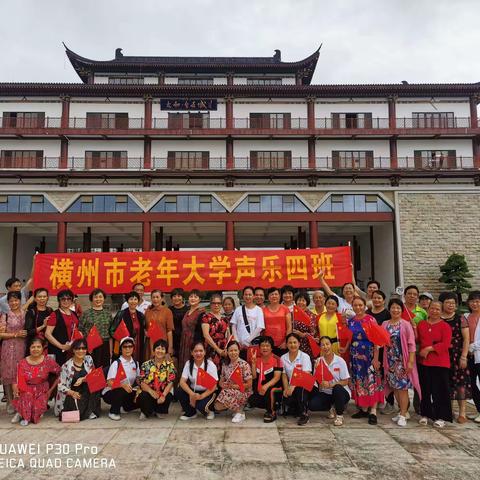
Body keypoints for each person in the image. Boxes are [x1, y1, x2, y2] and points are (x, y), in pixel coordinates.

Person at [382, 298, 420, 427]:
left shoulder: (405, 324)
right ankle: (400, 411)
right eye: (393, 307)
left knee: (403, 389)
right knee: (395, 388)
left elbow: (411, 345)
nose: (395, 310)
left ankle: (404, 414)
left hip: (402, 362)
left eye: (398, 308)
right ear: (389, 309)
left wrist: (410, 362)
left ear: (401, 310)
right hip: (390, 362)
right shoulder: (385, 324)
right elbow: (380, 341)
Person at [348, 296, 384, 425]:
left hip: (368, 355)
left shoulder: (370, 320)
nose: (358, 308)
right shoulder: (350, 321)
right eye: (355, 305)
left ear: (365, 306)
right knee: (359, 380)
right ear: (352, 306)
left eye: (360, 305)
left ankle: (373, 411)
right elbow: (349, 338)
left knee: (371, 380)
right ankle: (363, 408)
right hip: (355, 356)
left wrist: (375, 358)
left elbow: (377, 340)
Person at [416, 301, 453, 427]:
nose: (434, 311)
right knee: (425, 389)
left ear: (441, 311)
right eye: (432, 308)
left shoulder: (445, 326)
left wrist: (429, 349)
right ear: (428, 309)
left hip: (440, 363)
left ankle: (441, 416)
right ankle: (425, 414)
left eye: (437, 309)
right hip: (424, 362)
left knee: (440, 390)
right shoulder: (421, 324)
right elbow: (418, 340)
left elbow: (446, 344)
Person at [11, 337, 60, 426]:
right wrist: (14, 387)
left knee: (36, 415)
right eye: (33, 347)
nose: (36, 349)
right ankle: (22, 414)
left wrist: (51, 391)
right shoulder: (22, 362)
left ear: (42, 348)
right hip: (26, 389)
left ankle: (27, 412)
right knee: (27, 397)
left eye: (38, 347)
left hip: (42, 390)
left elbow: (61, 373)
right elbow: (16, 379)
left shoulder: (48, 361)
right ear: (29, 348)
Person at [440, 292, 471, 423]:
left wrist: (464, 356)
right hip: (442, 355)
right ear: (442, 303)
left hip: (457, 355)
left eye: (453, 303)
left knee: (460, 383)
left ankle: (462, 412)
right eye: (448, 302)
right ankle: (449, 410)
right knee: (445, 383)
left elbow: (466, 339)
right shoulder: (438, 318)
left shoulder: (461, 319)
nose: (451, 305)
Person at [55, 338, 101, 420]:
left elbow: (94, 376)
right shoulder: (66, 366)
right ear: (73, 350)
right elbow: (60, 385)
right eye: (78, 348)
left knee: (96, 385)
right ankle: (85, 412)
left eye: (83, 348)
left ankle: (89, 410)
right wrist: (72, 392)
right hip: (73, 394)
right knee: (77, 411)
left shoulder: (89, 360)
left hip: (87, 393)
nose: (81, 351)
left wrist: (83, 379)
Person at [309, 336, 351, 426]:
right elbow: (317, 382)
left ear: (331, 345)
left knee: (337, 388)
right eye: (322, 345)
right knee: (312, 405)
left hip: (341, 392)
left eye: (327, 344)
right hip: (326, 393)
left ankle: (339, 415)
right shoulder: (319, 361)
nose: (325, 347)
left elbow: (345, 381)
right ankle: (331, 407)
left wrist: (331, 384)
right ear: (320, 347)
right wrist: (317, 371)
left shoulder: (340, 361)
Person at [0, 291, 27, 413]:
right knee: (8, 374)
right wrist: (15, 334)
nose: (14, 303)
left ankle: (20, 400)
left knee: (20, 373)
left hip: (23, 347)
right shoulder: (5, 315)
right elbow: (0, 334)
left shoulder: (25, 314)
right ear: (8, 302)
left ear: (20, 301)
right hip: (8, 348)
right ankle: (10, 402)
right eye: (11, 301)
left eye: (16, 300)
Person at [367, 290, 393, 413]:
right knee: (372, 377)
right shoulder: (367, 314)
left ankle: (390, 402)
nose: (376, 300)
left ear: (383, 300)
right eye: (374, 298)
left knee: (384, 375)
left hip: (384, 350)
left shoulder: (388, 314)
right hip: (368, 349)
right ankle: (372, 401)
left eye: (379, 298)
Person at [176, 341, 218, 420]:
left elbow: (214, 385)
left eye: (201, 351)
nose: (198, 353)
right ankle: (191, 413)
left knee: (201, 405)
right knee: (179, 390)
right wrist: (192, 394)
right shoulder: (188, 364)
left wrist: (202, 396)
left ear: (205, 352)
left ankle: (210, 411)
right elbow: (182, 382)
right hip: (194, 391)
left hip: (208, 392)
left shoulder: (210, 365)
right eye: (195, 351)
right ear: (191, 352)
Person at [136, 339, 176, 419]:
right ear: (154, 350)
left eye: (163, 349)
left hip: (161, 394)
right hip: (148, 393)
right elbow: (142, 382)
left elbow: (171, 382)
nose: (160, 351)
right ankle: (146, 411)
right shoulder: (145, 365)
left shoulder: (170, 365)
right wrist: (151, 392)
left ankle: (158, 411)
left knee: (169, 395)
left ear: (166, 352)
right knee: (143, 395)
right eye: (158, 348)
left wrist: (163, 395)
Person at [214, 341, 253, 423]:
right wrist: (223, 385)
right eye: (231, 351)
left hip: (243, 390)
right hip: (228, 389)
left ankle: (239, 412)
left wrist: (234, 386)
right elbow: (221, 380)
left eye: (235, 350)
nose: (233, 353)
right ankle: (238, 409)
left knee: (224, 399)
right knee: (217, 406)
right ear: (227, 352)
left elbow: (249, 384)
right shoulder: (225, 364)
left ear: (239, 351)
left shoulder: (244, 364)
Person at [103, 337, 140, 421]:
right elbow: (109, 382)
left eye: (130, 346)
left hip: (128, 390)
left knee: (142, 397)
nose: (128, 349)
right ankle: (113, 412)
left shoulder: (135, 363)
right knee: (120, 390)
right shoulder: (116, 363)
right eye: (125, 347)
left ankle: (125, 407)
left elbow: (138, 379)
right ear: (121, 349)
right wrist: (122, 385)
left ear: (133, 348)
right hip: (111, 392)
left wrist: (143, 386)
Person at [248, 336, 283, 422]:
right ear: (259, 348)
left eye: (267, 346)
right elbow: (254, 377)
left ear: (271, 348)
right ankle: (270, 406)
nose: (265, 348)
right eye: (262, 346)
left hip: (275, 387)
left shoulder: (277, 360)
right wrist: (253, 364)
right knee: (252, 400)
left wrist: (266, 386)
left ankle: (272, 412)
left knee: (270, 391)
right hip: (261, 388)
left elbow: (277, 378)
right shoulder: (257, 360)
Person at [281, 333, 312, 426]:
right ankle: (296, 408)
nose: (292, 345)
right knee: (288, 398)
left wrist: (293, 386)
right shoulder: (283, 358)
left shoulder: (304, 356)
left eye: (295, 342)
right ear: (286, 344)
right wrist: (286, 388)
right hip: (291, 386)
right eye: (290, 343)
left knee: (300, 388)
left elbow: (306, 374)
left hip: (306, 385)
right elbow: (284, 375)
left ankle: (304, 414)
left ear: (299, 344)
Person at [79, 288, 112, 368]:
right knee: (92, 369)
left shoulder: (108, 314)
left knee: (104, 368)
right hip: (91, 346)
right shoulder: (86, 314)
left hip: (105, 345)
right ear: (92, 299)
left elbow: (110, 333)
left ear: (104, 298)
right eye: (96, 297)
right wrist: (85, 347)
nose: (98, 299)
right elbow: (80, 330)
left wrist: (110, 350)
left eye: (100, 297)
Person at [45, 289, 79, 366]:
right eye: (63, 299)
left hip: (72, 349)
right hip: (58, 349)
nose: (66, 301)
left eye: (68, 298)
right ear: (59, 300)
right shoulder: (55, 314)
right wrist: (61, 346)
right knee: (59, 372)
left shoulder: (73, 313)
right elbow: (47, 334)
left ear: (72, 300)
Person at [111, 291, 145, 362]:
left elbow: (144, 330)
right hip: (125, 345)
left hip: (138, 345)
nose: (133, 301)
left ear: (138, 301)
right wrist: (120, 338)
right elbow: (112, 330)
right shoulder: (121, 314)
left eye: (135, 299)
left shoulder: (141, 315)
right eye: (131, 299)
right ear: (127, 301)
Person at [230, 286, 265, 353]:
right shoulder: (238, 309)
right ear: (243, 296)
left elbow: (259, 327)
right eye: (246, 294)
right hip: (239, 346)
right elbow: (234, 325)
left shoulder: (258, 310)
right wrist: (237, 341)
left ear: (254, 296)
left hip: (252, 344)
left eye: (250, 294)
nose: (248, 296)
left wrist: (247, 341)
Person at [178, 289, 205, 372]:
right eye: (191, 296)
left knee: (193, 365)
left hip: (194, 342)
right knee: (183, 365)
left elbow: (201, 331)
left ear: (199, 300)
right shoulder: (187, 312)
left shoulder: (201, 312)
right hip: (184, 343)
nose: (193, 299)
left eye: (195, 297)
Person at [201, 293, 230, 369]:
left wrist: (227, 349)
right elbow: (206, 335)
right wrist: (218, 350)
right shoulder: (206, 317)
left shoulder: (225, 318)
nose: (216, 305)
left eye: (219, 303)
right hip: (211, 349)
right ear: (210, 304)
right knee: (211, 373)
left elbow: (228, 335)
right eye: (214, 303)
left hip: (224, 351)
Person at [144, 290, 174, 360]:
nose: (155, 299)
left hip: (162, 343)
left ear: (162, 298)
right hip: (150, 343)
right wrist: (146, 332)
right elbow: (145, 327)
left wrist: (170, 347)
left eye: (157, 297)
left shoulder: (167, 311)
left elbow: (169, 330)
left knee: (162, 366)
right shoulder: (148, 311)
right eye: (153, 297)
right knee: (150, 366)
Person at [263, 287, 291, 356]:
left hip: (282, 345)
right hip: (267, 345)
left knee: (282, 365)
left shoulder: (285, 309)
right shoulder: (263, 310)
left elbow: (289, 327)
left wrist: (286, 342)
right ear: (268, 297)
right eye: (272, 294)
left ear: (279, 296)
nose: (274, 296)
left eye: (276, 294)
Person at [465, 290, 480, 423]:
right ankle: (479, 409)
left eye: (477, 301)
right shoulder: (466, 316)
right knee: (470, 383)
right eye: (472, 301)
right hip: (468, 356)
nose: (474, 304)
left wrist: (471, 347)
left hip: (478, 355)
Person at [292, 291, 318, 359]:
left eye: (303, 300)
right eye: (299, 300)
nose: (301, 302)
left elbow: (314, 334)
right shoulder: (292, 314)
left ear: (307, 303)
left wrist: (302, 334)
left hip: (307, 346)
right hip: (293, 346)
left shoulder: (311, 316)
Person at [169, 288, 189, 358]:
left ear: (182, 297)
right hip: (172, 340)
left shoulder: (188, 310)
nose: (176, 298)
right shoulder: (168, 310)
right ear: (171, 298)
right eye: (174, 296)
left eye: (179, 296)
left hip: (185, 340)